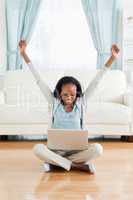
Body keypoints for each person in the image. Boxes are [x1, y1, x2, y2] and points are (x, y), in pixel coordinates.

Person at [19, 40, 119, 173]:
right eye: (65, 94)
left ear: (77, 93)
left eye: (72, 94)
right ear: (59, 93)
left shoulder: (81, 102)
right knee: (37, 149)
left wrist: (112, 58)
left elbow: (97, 81)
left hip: (77, 153)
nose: (69, 97)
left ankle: (58, 164)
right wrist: (23, 54)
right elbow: (38, 79)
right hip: (56, 151)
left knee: (98, 149)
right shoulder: (53, 102)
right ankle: (76, 166)